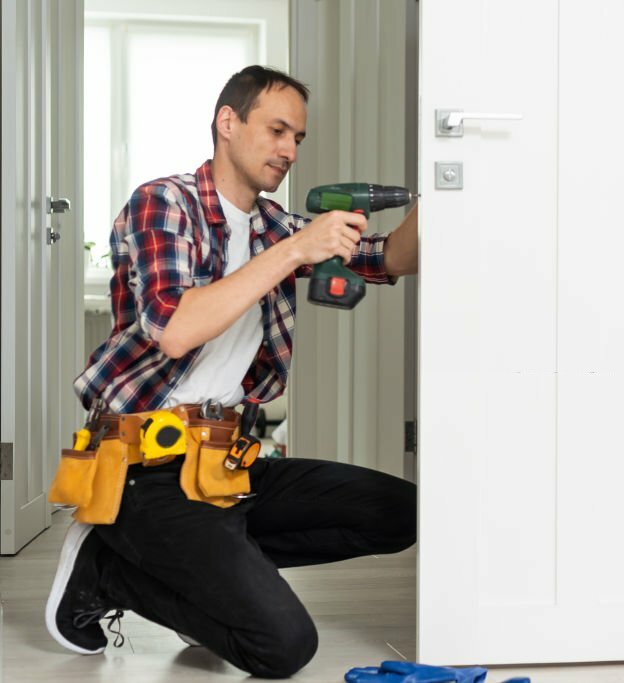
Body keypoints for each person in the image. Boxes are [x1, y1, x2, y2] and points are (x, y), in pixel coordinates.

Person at [44, 65, 417, 679]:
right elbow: (176, 328)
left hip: (227, 468)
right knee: (283, 645)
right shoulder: (164, 203)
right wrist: (297, 249)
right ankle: (107, 572)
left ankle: (213, 574)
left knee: (399, 511)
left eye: (298, 137)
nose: (289, 150)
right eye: (276, 130)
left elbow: (389, 256)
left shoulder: (273, 225)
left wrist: (447, 186)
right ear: (227, 122)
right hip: (147, 472)